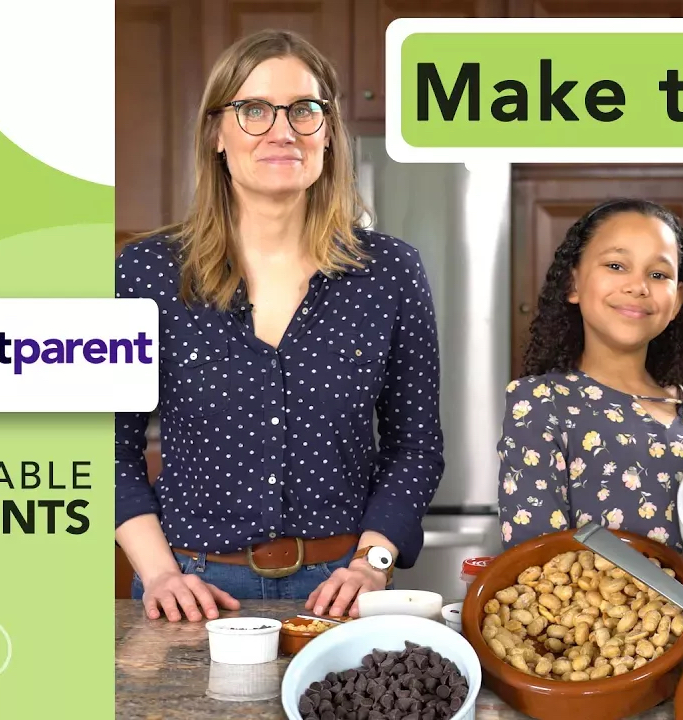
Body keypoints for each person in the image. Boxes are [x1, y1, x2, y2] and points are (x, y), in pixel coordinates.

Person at [115, 29, 444, 623]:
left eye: (304, 110)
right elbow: (104, 442)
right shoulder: (146, 271)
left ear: (329, 133)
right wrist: (158, 571)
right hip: (191, 590)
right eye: (253, 109)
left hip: (342, 592)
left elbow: (414, 447)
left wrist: (373, 561)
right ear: (217, 133)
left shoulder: (390, 271)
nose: (282, 130)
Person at [494, 198, 683, 603]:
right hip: (600, 653)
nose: (637, 285)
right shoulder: (540, 402)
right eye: (616, 265)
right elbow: (535, 566)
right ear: (573, 284)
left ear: (676, 302)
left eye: (658, 274)